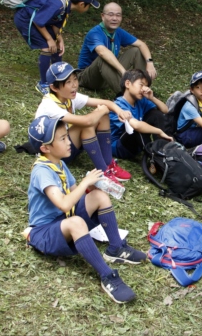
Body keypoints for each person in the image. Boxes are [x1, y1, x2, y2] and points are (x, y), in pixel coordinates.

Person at [25, 115, 146, 304]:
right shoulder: (42, 171)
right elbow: (64, 204)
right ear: (45, 148)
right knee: (77, 222)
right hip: (45, 232)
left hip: (63, 220)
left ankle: (116, 248)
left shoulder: (59, 163)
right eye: (62, 139)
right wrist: (85, 183)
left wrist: (92, 188)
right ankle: (108, 277)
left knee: (98, 197)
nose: (68, 142)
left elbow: (76, 196)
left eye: (66, 135)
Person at [35, 61, 133, 184]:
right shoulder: (50, 105)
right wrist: (100, 110)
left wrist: (119, 111)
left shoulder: (69, 96)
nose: (74, 85)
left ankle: (108, 164)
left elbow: (106, 103)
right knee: (86, 125)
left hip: (66, 144)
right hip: (53, 153)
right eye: (68, 82)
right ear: (54, 87)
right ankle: (103, 172)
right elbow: (87, 121)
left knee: (102, 115)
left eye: (75, 79)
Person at [13, 0, 99, 95]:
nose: (88, 8)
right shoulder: (57, 4)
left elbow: (55, 23)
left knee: (57, 47)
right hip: (25, 18)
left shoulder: (66, 6)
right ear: (82, 4)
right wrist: (49, 39)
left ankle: (58, 77)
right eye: (89, 6)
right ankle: (43, 84)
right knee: (47, 48)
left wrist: (59, 38)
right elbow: (38, 21)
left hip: (38, 19)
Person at [77, 2, 157, 94]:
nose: (114, 18)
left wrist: (150, 63)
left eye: (118, 15)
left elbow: (141, 44)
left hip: (107, 76)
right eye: (110, 15)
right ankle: (128, 95)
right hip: (89, 77)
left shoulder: (118, 32)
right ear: (102, 16)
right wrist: (123, 72)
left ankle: (141, 87)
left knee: (136, 51)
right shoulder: (95, 33)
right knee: (102, 58)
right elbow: (102, 52)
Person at [110, 70, 172, 159]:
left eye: (146, 86)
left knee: (156, 114)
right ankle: (156, 158)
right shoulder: (119, 104)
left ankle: (162, 149)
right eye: (141, 85)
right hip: (120, 147)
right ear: (127, 84)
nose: (144, 89)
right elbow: (136, 125)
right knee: (136, 128)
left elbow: (165, 110)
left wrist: (152, 98)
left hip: (136, 144)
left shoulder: (141, 101)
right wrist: (159, 131)